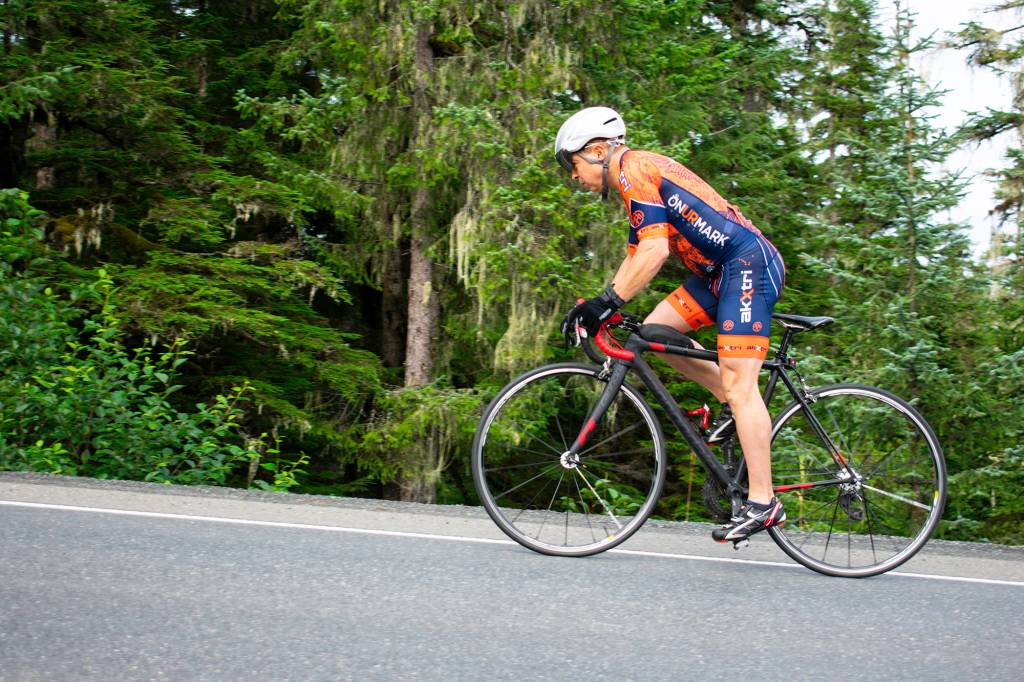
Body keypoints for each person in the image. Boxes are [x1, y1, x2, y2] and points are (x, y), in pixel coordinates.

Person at [556, 106, 787, 543]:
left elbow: (655, 251)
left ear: (598, 151)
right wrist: (603, 306)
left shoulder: (633, 168)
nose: (573, 175)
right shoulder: (633, 183)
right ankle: (730, 404)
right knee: (654, 333)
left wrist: (607, 302)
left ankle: (763, 502)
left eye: (573, 164)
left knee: (742, 385)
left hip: (747, 265)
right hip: (718, 273)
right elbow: (636, 257)